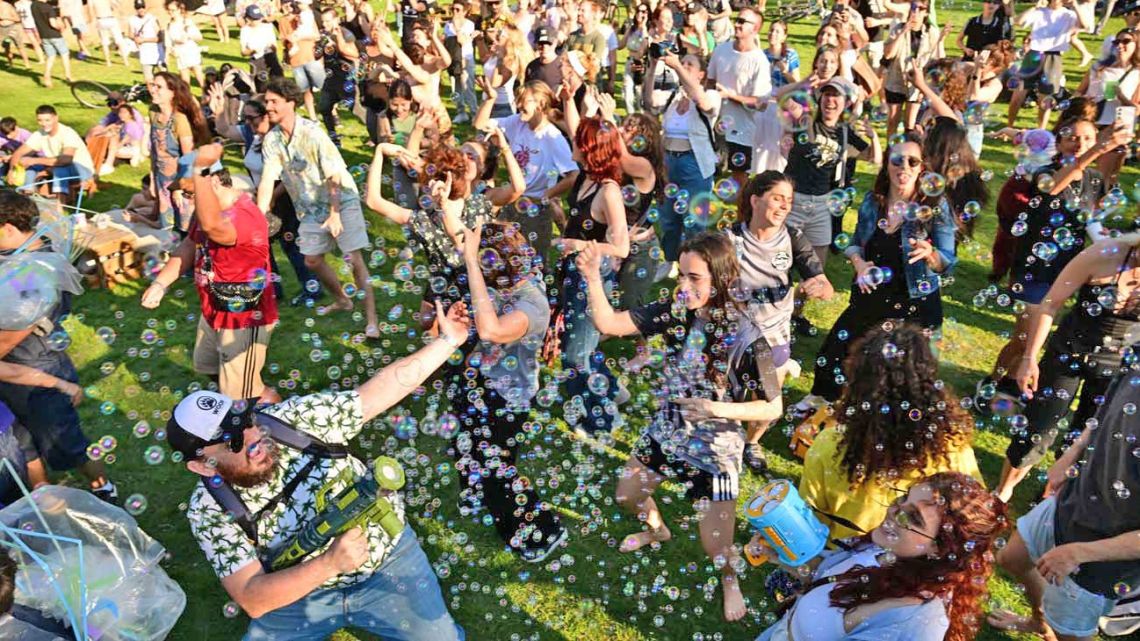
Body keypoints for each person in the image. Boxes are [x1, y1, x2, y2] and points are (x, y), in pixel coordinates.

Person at [171, 304, 470, 640]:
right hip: (297, 591)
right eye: (232, 442)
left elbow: (380, 390)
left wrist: (448, 341)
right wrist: (328, 565)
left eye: (246, 421)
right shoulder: (209, 508)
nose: (253, 439)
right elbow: (252, 596)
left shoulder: (294, 420)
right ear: (200, 465)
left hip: (387, 559)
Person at [580, 233, 782, 621]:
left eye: (695, 278)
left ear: (721, 280)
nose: (684, 287)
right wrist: (592, 274)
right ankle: (658, 530)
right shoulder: (675, 309)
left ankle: (729, 580)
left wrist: (714, 408)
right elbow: (608, 322)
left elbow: (773, 406)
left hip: (716, 449)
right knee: (627, 496)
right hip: (669, 429)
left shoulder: (746, 338)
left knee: (716, 543)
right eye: (681, 276)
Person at [438, 222, 569, 561]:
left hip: (508, 399)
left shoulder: (532, 303)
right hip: (478, 380)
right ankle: (474, 488)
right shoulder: (502, 284)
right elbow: (477, 324)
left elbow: (492, 330)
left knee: (498, 471)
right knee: (465, 442)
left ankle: (541, 533)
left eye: (482, 266)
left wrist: (469, 261)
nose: (476, 273)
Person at [983, 118, 1131, 408]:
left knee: (1035, 336)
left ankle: (1012, 383)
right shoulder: (1046, 174)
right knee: (1024, 338)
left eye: (1087, 138)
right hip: (1034, 268)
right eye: (1072, 138)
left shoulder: (1094, 181)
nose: (1080, 143)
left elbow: (1092, 219)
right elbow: (1053, 190)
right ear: (1060, 143)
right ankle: (993, 381)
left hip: (1065, 270)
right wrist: (1096, 149)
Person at [755, 472, 1008, 641]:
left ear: (939, 550)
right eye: (903, 499)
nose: (893, 513)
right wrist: (783, 557)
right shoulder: (886, 550)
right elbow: (828, 580)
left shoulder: (916, 625)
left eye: (913, 518)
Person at [803, 135, 956, 407]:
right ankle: (821, 405)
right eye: (897, 160)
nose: (904, 166)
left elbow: (948, 260)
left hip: (914, 305)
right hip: (871, 297)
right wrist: (860, 264)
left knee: (901, 377)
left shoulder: (935, 206)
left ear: (922, 167)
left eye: (912, 161)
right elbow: (854, 245)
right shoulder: (874, 202)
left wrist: (930, 254)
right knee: (833, 357)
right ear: (887, 164)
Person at [988, 373, 1140, 641]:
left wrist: (1079, 552)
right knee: (1012, 558)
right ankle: (1040, 622)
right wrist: (1073, 452)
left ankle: (1054, 627)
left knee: (1067, 634)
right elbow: (1106, 409)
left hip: (1103, 558)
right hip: (1073, 501)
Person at [799, 324, 984, 540]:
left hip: (842, 561)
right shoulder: (952, 448)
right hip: (909, 566)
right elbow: (972, 517)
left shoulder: (830, 444)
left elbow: (809, 522)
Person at [993, 235, 1140, 502]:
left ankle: (1052, 499)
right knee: (1037, 428)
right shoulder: (1105, 254)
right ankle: (1002, 493)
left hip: (1116, 367)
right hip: (1069, 351)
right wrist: (1029, 357)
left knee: (1085, 439)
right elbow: (1050, 304)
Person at [0, 190, 117, 504]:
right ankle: (43, 502)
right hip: (14, 371)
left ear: (9, 229)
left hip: (35, 369)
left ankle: (103, 488)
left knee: (66, 445)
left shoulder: (35, 274)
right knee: (24, 443)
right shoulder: (19, 251)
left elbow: (6, 340)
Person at [140, 145, 279, 403]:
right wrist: (161, 284)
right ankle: (237, 394)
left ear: (212, 180)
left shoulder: (244, 216)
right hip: (213, 308)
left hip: (243, 317)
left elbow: (215, 228)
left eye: (191, 193)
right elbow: (189, 246)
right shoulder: (205, 213)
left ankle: (268, 420)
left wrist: (199, 167)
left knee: (245, 394)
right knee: (207, 366)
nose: (187, 200)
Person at [257, 78, 380, 338]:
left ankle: (372, 321)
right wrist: (258, 217)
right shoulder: (272, 140)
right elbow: (268, 178)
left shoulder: (312, 133)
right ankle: (342, 299)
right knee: (312, 260)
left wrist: (335, 213)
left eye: (273, 101)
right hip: (310, 209)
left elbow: (334, 175)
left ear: (291, 103)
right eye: (266, 101)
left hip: (341, 201)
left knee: (354, 260)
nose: (267, 106)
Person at [730, 171, 834, 473]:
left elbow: (825, 284)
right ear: (755, 199)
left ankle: (752, 442)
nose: (784, 206)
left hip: (773, 336)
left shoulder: (792, 238)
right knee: (730, 396)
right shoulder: (731, 238)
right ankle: (727, 438)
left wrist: (820, 286)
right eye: (777, 198)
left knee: (768, 399)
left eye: (788, 201)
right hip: (734, 335)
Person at [554, 115, 630, 437]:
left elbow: (622, 247)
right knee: (582, 343)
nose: (571, 140)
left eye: (577, 139)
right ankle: (613, 389)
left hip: (591, 276)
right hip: (573, 269)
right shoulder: (584, 175)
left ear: (589, 148)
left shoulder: (609, 191)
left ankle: (602, 422)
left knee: (574, 354)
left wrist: (578, 243)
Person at [473, 79, 579, 267]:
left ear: (541, 104)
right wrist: (490, 98)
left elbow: (573, 175)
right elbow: (480, 124)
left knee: (533, 263)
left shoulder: (553, 137)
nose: (519, 104)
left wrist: (548, 194)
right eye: (518, 99)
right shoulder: (516, 123)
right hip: (512, 201)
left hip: (536, 210)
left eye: (524, 100)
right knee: (504, 258)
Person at [780, 78, 879, 271]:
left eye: (836, 96)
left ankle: (803, 295)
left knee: (817, 269)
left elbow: (873, 158)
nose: (830, 100)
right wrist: (806, 81)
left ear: (846, 103)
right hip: (793, 199)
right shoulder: (805, 120)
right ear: (820, 97)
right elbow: (782, 97)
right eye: (827, 94)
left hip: (822, 205)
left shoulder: (844, 132)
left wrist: (874, 137)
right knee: (781, 262)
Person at [654, 53, 720, 268]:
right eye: (682, 63)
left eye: (689, 64)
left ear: (701, 74)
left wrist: (678, 69)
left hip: (694, 163)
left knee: (694, 220)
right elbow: (648, 102)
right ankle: (671, 260)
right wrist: (653, 64)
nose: (683, 66)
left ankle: (696, 264)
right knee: (668, 218)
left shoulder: (711, 94)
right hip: (668, 161)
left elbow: (704, 103)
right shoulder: (673, 97)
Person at [706, 6, 770, 187]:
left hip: (742, 130)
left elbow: (761, 103)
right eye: (737, 19)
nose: (737, 24)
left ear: (755, 28)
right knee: (707, 172)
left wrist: (731, 96)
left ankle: (742, 214)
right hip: (713, 125)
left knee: (739, 178)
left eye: (743, 21)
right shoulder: (721, 51)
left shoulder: (759, 61)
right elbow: (710, 82)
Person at [1077, 26, 1140, 188]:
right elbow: (1080, 92)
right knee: (1077, 169)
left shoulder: (1137, 73)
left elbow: (1137, 108)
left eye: (1126, 41)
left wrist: (1120, 95)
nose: (1120, 45)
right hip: (1092, 124)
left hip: (1116, 128)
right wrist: (1084, 101)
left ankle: (1096, 209)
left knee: (1105, 178)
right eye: (1117, 41)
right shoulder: (1100, 68)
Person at [148, 71, 211, 232]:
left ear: (172, 93)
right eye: (152, 85)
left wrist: (178, 188)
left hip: (181, 181)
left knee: (185, 229)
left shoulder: (179, 120)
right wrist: (152, 178)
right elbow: (155, 151)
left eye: (159, 86)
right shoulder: (153, 113)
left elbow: (189, 157)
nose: (153, 89)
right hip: (162, 179)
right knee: (166, 226)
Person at [1007, 0, 1084, 130]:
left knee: (1046, 98)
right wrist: (1034, 7)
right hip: (1033, 54)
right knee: (1018, 94)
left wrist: (1075, 5)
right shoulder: (1039, 11)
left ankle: (1040, 130)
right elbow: (1017, 21)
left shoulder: (1069, 14)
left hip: (1053, 56)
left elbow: (1085, 25)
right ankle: (1009, 126)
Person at [7, 105, 94, 204]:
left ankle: (60, 206)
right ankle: (28, 196)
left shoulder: (67, 133)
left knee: (58, 169)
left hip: (81, 170)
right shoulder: (40, 134)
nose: (44, 124)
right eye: (40, 120)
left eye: (47, 120)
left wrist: (33, 160)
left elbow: (66, 159)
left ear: (56, 118)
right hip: (57, 165)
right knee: (32, 166)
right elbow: (19, 152)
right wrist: (11, 170)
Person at [882, 2, 940, 135]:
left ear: (926, 13)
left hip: (917, 83)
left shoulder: (931, 32)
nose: (916, 12)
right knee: (892, 121)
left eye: (921, 9)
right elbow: (888, 54)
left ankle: (908, 151)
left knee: (911, 124)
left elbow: (936, 59)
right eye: (914, 8)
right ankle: (890, 151)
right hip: (896, 80)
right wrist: (903, 32)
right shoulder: (898, 28)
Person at [280, 0, 321, 121]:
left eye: (290, 3)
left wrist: (301, 37)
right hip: (297, 57)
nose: (288, 7)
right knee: (306, 89)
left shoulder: (305, 16)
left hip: (310, 53)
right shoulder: (284, 20)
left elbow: (316, 35)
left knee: (322, 85)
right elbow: (284, 40)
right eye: (285, 4)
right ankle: (313, 116)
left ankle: (332, 114)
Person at [444, 1, 477, 123]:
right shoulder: (447, 25)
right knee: (455, 88)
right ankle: (461, 111)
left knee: (468, 87)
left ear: (465, 12)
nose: (454, 12)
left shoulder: (469, 25)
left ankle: (474, 112)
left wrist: (457, 27)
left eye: (458, 10)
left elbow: (462, 40)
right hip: (453, 60)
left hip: (466, 60)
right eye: (453, 9)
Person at [241, 4, 284, 92]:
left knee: (279, 83)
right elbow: (243, 52)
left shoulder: (268, 27)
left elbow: (274, 46)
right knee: (261, 86)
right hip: (256, 60)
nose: (259, 20)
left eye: (259, 18)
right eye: (255, 19)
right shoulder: (245, 30)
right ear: (248, 19)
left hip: (270, 57)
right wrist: (252, 51)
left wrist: (271, 48)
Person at [29, 0, 70, 87]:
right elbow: (53, 24)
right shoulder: (48, 7)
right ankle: (68, 76)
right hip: (54, 35)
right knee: (65, 54)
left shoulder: (33, 6)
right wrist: (62, 27)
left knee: (51, 56)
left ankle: (47, 75)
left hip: (43, 35)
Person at [166, 1, 205, 88]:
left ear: (179, 10)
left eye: (173, 10)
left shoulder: (186, 22)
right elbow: (168, 43)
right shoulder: (169, 25)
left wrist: (188, 35)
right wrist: (167, 56)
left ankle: (207, 98)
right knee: (185, 83)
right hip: (180, 55)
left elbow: (199, 37)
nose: (170, 12)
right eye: (169, 10)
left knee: (200, 79)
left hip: (191, 52)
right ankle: (188, 100)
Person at [619, 4, 650, 114]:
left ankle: (642, 116)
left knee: (639, 92)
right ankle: (630, 116)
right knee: (628, 91)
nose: (640, 14)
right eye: (638, 11)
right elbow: (620, 45)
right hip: (630, 61)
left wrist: (644, 26)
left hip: (641, 64)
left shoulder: (648, 30)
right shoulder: (631, 28)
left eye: (643, 12)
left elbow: (646, 46)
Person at [128, 0, 161, 81]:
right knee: (148, 79)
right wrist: (134, 38)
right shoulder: (132, 20)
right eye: (138, 7)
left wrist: (143, 40)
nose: (141, 9)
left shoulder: (152, 19)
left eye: (143, 7)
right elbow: (130, 34)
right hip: (145, 53)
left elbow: (160, 38)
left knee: (165, 76)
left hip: (157, 52)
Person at [524, 24, 561, 93]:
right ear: (536, 44)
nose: (545, 47)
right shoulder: (531, 67)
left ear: (555, 43)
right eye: (541, 43)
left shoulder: (563, 66)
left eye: (549, 43)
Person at [90, 0, 128, 66]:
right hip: (110, 18)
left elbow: (91, 11)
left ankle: (108, 62)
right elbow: (116, 5)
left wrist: (93, 21)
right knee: (119, 40)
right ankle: (125, 61)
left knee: (105, 42)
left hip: (100, 19)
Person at [764, 19, 799, 90]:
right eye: (771, 30)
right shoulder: (762, 55)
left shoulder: (790, 55)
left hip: (784, 97)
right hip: (765, 97)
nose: (773, 33)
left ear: (784, 36)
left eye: (777, 32)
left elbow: (797, 84)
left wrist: (785, 72)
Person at [0, 0, 31, 68]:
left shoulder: (8, 6)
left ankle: (27, 63)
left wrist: (5, 17)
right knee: (6, 47)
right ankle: (10, 64)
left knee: (20, 46)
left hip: (14, 28)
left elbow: (17, 19)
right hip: (2, 29)